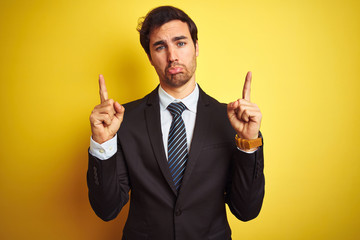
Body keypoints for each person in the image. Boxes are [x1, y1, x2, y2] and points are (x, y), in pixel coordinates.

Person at [87, 6, 264, 240]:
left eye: (181, 43)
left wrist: (248, 143)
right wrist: (102, 144)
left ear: (196, 47)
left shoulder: (233, 121)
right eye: (160, 47)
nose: (172, 56)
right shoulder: (122, 120)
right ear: (150, 57)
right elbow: (107, 209)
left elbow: (246, 211)